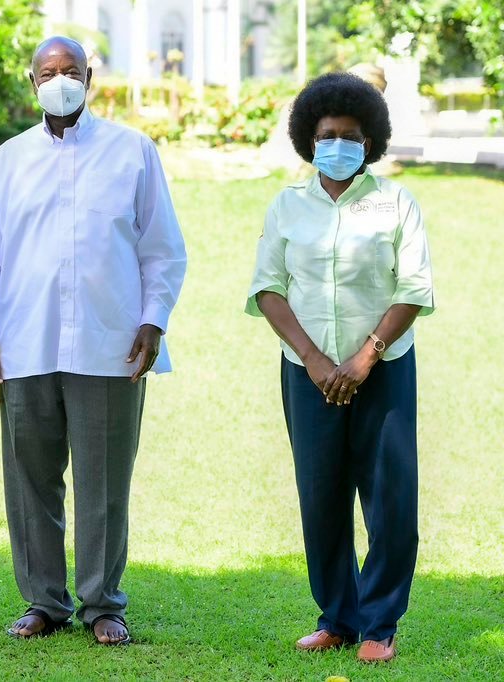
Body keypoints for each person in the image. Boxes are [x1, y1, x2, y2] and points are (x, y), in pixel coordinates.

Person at [0, 36, 187, 646]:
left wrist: (154, 319)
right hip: (25, 340)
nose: (59, 79)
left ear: (90, 78)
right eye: (47, 71)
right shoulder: (8, 160)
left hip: (110, 342)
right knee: (30, 480)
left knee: (104, 482)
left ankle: (103, 604)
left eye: (70, 71)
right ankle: (44, 601)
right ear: (31, 80)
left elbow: (163, 249)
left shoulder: (132, 152)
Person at [245, 72, 435, 663]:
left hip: (384, 370)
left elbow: (413, 288)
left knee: (392, 503)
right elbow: (269, 289)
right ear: (309, 138)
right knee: (321, 497)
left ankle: (380, 625)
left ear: (370, 140)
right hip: (307, 376)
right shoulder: (288, 205)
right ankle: (338, 617)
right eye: (327, 133)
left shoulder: (395, 203)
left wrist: (362, 357)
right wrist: (315, 360)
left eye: (352, 135)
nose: (339, 143)